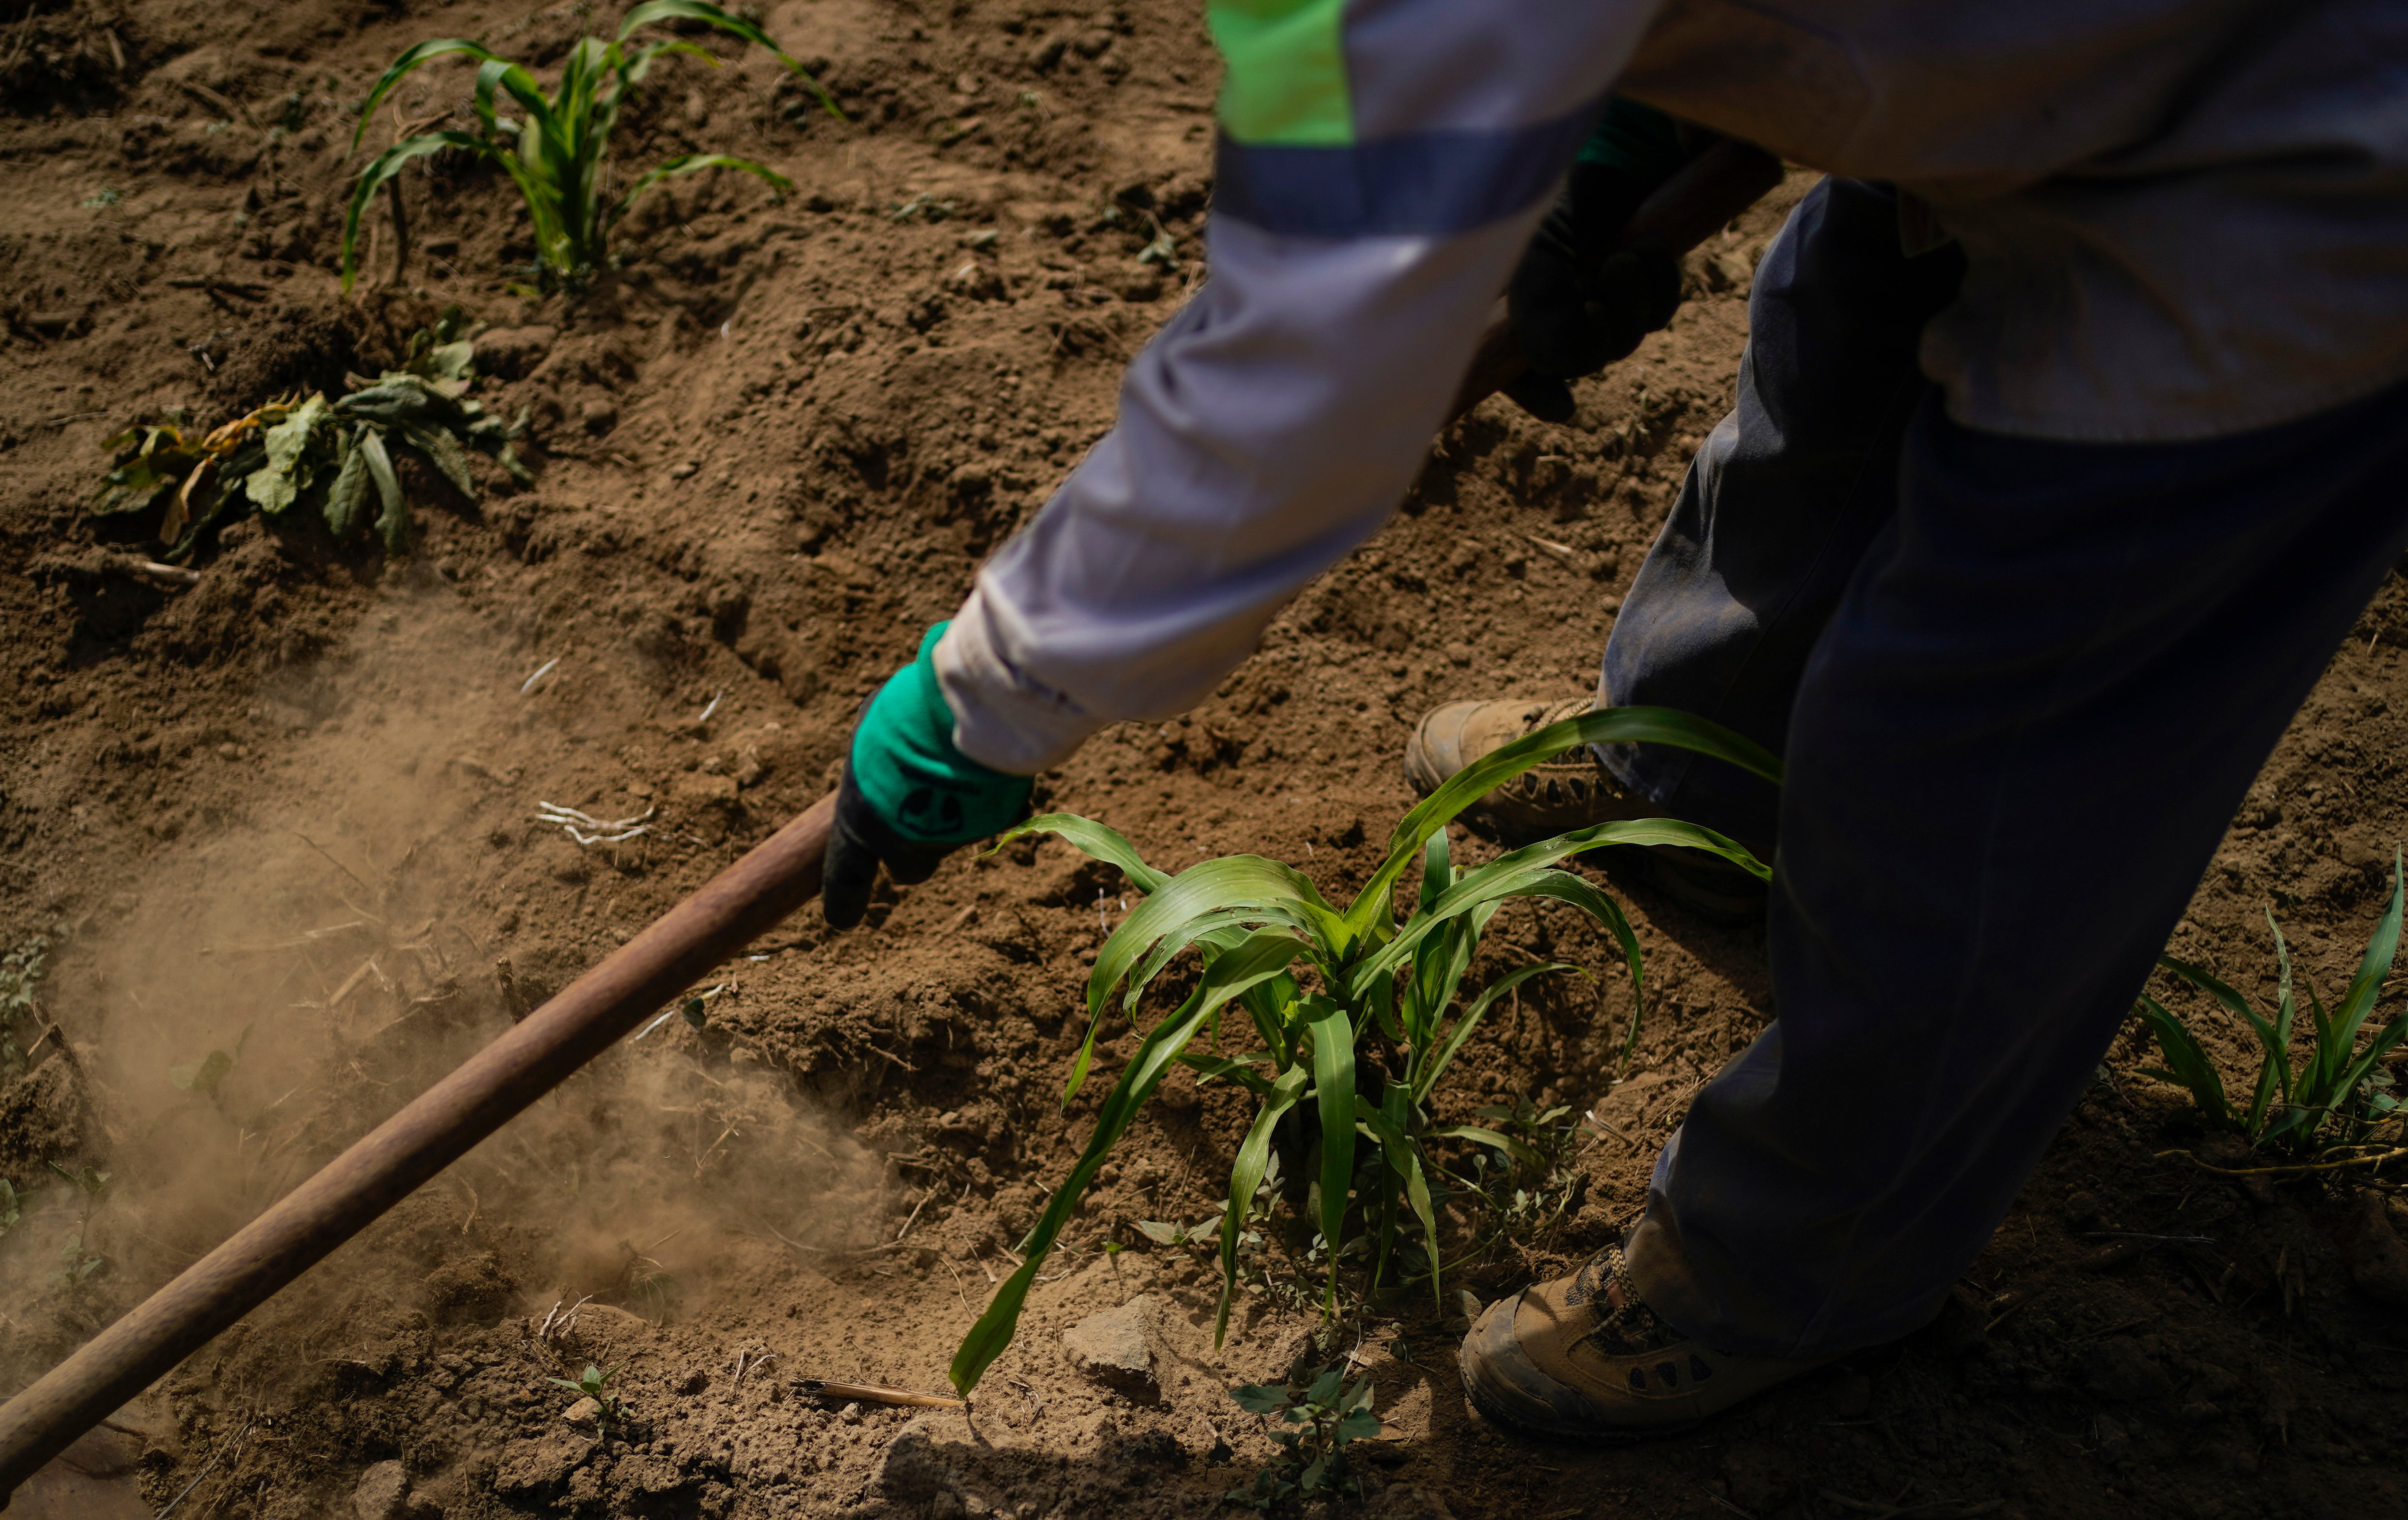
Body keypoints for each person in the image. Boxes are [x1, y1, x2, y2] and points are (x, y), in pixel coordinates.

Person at [817, 2, 2408, 1441]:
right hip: (2056, 58)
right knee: (1821, 409)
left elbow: (1298, 391)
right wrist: (1649, 110)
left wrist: (983, 701)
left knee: (1980, 751)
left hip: (2301, 179)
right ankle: (1697, 798)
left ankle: (1805, 1259)